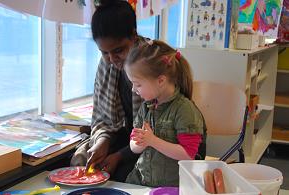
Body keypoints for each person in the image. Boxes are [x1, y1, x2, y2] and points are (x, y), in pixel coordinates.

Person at [70, 0, 146, 182]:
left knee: (123, 174)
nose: (112, 59)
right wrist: (103, 141)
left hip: (156, 143)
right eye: (104, 52)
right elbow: (103, 119)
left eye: (118, 50)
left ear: (133, 36)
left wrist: (120, 155)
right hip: (122, 139)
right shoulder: (106, 65)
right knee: (80, 161)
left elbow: (161, 129)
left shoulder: (152, 62)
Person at [124, 40, 207, 187]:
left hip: (172, 187)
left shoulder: (185, 110)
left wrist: (152, 141)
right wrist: (139, 143)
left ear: (161, 80)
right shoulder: (146, 107)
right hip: (141, 182)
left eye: (138, 84)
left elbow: (188, 155)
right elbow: (133, 145)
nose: (133, 89)